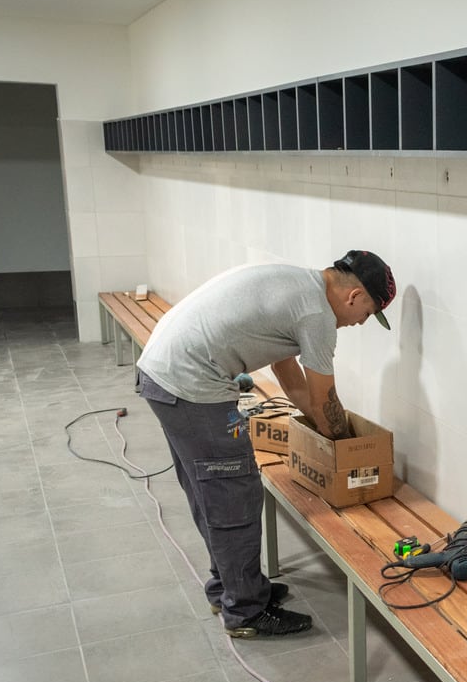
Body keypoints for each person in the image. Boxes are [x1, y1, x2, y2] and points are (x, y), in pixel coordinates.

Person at [135, 250, 396, 638]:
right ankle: (246, 611)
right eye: (366, 314)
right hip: (192, 386)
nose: (359, 323)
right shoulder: (317, 317)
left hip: (165, 372)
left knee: (213, 492)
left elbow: (288, 377)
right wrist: (348, 453)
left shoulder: (297, 283)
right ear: (354, 296)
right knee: (234, 492)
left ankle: (231, 587)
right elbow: (325, 402)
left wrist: (326, 433)